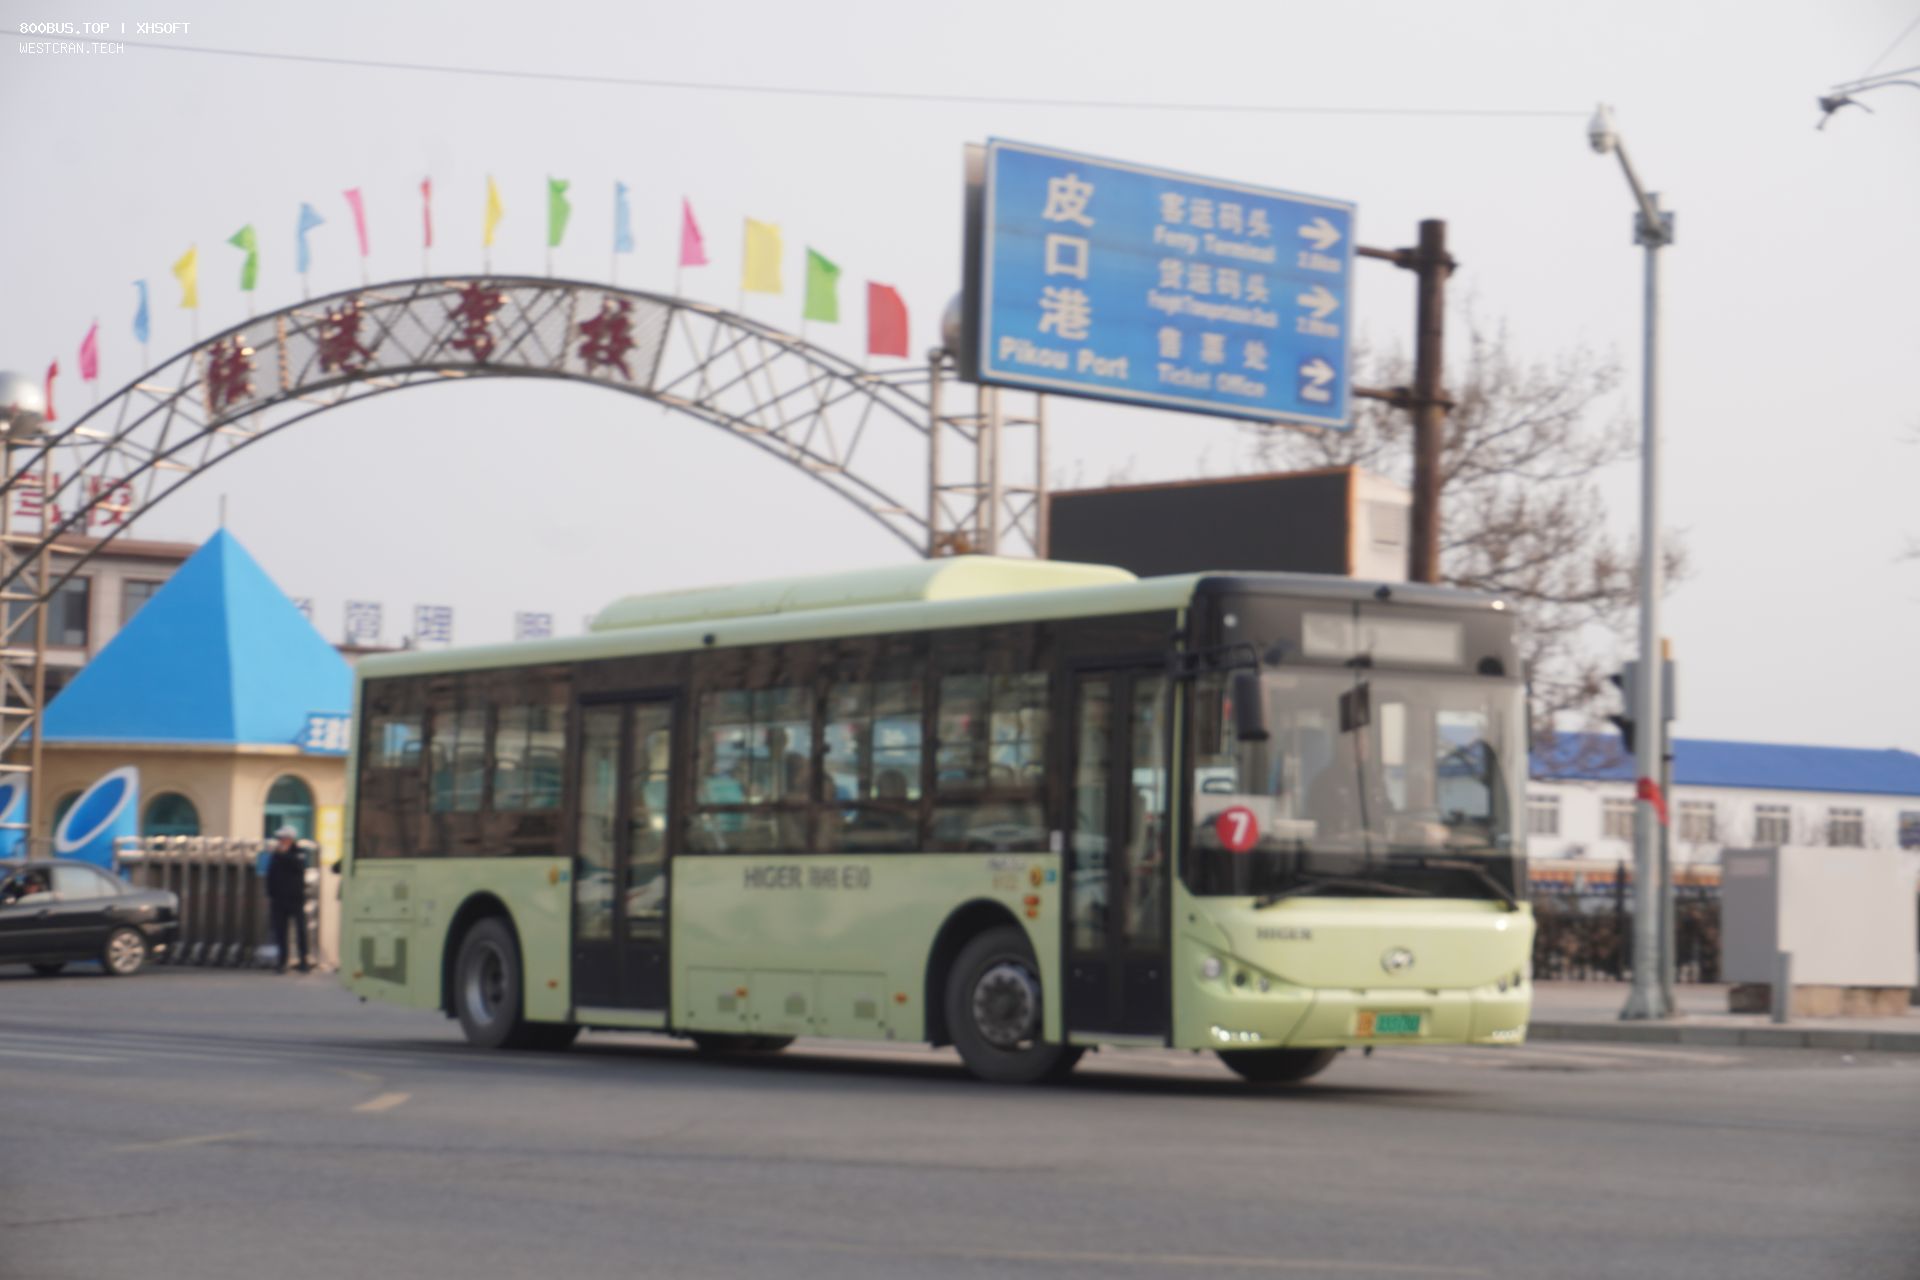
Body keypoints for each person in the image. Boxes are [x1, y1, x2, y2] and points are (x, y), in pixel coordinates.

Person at [264, 825, 311, 973]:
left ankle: (303, 960)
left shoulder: (299, 852)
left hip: (295, 898)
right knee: (280, 931)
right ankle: (282, 961)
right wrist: (270, 893)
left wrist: (283, 855)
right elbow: (271, 874)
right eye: (279, 838)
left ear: (290, 839)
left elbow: (298, 866)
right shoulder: (276, 854)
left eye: (283, 838)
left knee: (300, 930)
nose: (280, 841)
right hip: (279, 898)